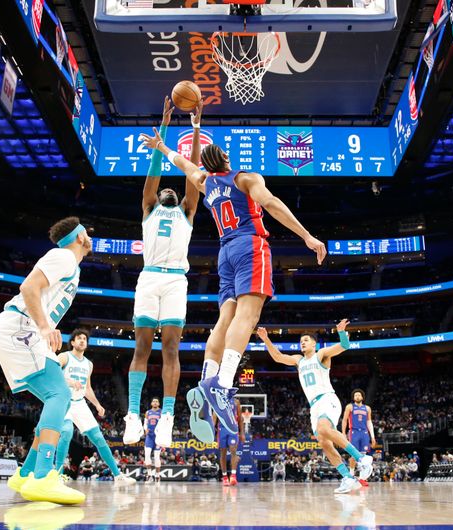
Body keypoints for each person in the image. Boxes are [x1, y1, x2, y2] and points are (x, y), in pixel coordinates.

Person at [140, 124, 326, 442]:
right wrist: (306, 236)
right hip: (249, 245)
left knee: (225, 319)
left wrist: (162, 147)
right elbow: (272, 204)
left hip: (224, 252)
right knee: (248, 316)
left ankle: (207, 379)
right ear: (225, 157)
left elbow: (184, 164)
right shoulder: (244, 178)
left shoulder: (205, 182)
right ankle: (222, 386)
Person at [0, 217, 91, 505]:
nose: (89, 235)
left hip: (22, 331)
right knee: (59, 395)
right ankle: (44, 476)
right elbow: (28, 288)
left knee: (56, 396)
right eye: (86, 232)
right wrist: (45, 327)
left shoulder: (72, 266)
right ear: (79, 236)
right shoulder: (63, 257)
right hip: (22, 328)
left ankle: (26, 474)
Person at [124, 98, 201, 448]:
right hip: (150, 276)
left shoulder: (186, 209)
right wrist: (164, 129)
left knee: (170, 347)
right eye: (164, 189)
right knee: (142, 346)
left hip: (175, 282)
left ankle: (168, 416)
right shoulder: (150, 207)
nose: (168, 190)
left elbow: (192, 174)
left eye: (173, 189)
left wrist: (196, 132)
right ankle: (132, 415)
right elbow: (154, 176)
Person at [257, 321, 370, 494]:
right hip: (314, 406)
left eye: (306, 340)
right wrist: (266, 339)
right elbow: (278, 357)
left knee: (324, 428)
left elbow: (345, 346)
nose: (303, 342)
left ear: (314, 343)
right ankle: (347, 477)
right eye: (301, 340)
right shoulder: (298, 360)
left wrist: (341, 333)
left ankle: (361, 458)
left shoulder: (322, 354)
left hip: (327, 398)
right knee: (324, 443)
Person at [54, 328, 135, 488]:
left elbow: (87, 388)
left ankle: (118, 476)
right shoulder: (64, 357)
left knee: (99, 439)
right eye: (79, 338)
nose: (82, 340)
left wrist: (97, 404)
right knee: (67, 432)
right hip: (63, 401)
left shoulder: (88, 364)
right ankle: (57, 475)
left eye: (84, 338)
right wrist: (70, 382)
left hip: (79, 403)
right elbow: (53, 374)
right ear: (72, 342)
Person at [340, 388, 376, 484]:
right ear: (353, 397)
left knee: (363, 456)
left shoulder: (367, 408)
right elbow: (344, 420)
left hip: (364, 433)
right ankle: (351, 475)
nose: (357, 396)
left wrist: (372, 436)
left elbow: (369, 422)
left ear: (362, 397)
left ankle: (362, 478)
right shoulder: (350, 407)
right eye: (355, 395)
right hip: (354, 432)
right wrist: (343, 433)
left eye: (359, 395)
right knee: (354, 454)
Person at [213, 398, 244, 486]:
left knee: (233, 450)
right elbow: (214, 417)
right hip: (222, 429)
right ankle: (225, 477)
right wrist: (211, 431)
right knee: (223, 453)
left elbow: (240, 418)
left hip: (233, 429)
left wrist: (242, 433)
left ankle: (233, 476)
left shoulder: (236, 401)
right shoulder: (217, 401)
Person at [142, 398, 162, 483]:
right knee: (147, 455)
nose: (155, 402)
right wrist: (145, 429)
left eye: (156, 401)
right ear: (151, 403)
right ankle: (149, 475)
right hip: (149, 436)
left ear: (159, 403)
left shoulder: (161, 412)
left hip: (158, 436)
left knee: (157, 457)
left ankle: (157, 475)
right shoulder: (147, 412)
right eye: (153, 401)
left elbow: (164, 423)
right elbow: (145, 423)